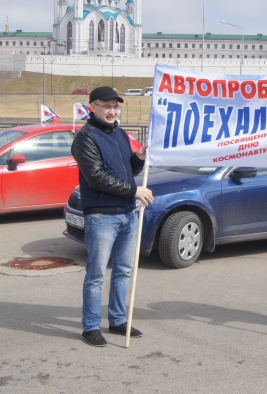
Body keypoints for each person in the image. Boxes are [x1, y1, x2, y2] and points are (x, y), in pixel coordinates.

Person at [71, 86, 154, 347]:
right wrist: (134, 191)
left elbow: (126, 170)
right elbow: (96, 177)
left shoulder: (119, 133)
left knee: (123, 271)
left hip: (127, 213)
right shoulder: (85, 137)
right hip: (102, 216)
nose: (112, 111)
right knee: (96, 274)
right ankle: (90, 326)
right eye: (106, 106)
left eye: (116, 107)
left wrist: (137, 159)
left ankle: (118, 320)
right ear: (92, 107)